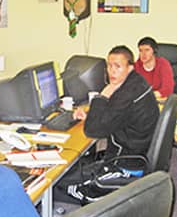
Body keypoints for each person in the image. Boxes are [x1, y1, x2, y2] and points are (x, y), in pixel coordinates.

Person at [63, 45, 160, 203]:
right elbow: (115, 115)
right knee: (73, 170)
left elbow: (92, 131)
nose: (112, 71)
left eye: (118, 66)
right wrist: (90, 115)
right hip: (136, 150)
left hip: (127, 163)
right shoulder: (136, 83)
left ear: (130, 68)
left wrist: (102, 96)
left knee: (63, 185)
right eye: (109, 66)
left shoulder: (127, 94)